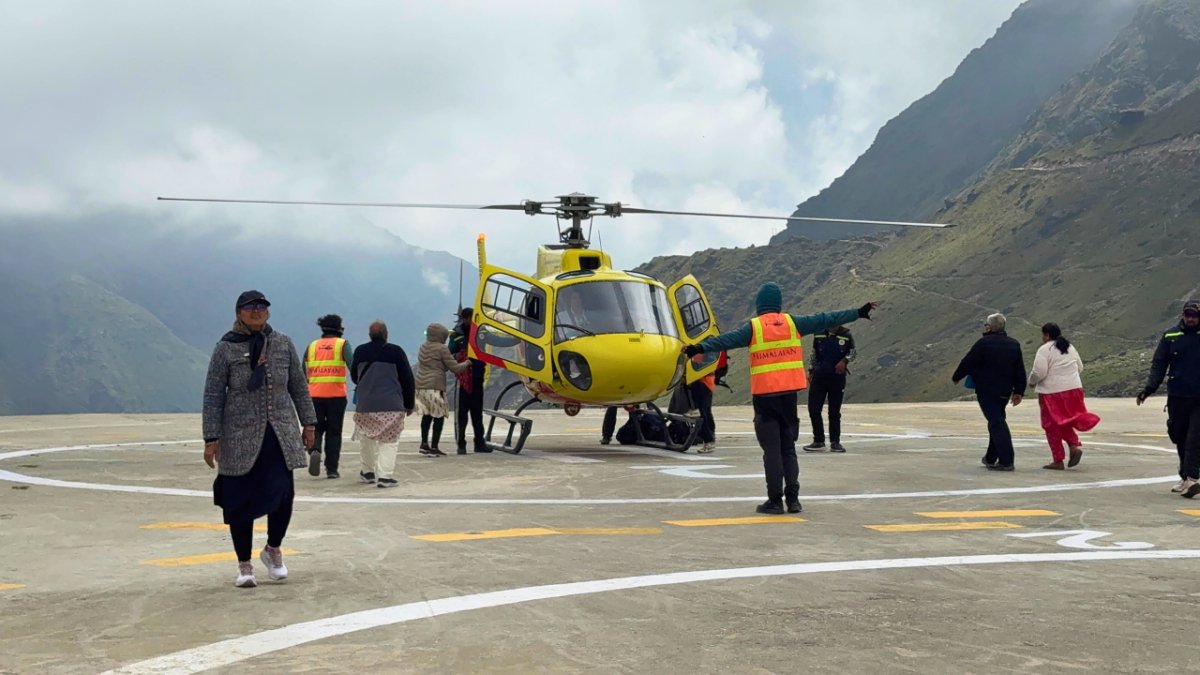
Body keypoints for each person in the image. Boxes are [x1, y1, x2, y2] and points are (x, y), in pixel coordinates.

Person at [684, 282, 876, 514]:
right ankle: (793, 500)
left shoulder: (754, 328)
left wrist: (699, 347)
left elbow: (725, 340)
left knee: (771, 451)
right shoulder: (794, 323)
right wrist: (857, 312)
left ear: (759, 304)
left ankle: (775, 501)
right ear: (778, 303)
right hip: (788, 398)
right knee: (788, 449)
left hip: (765, 399)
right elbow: (827, 318)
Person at [202, 290, 316, 589]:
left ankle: (273, 549)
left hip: (279, 432)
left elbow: (298, 386)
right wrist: (211, 437)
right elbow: (213, 394)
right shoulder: (225, 348)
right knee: (240, 499)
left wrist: (309, 423)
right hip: (238, 434)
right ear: (239, 312)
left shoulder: (282, 343)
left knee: (282, 494)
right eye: (250, 307)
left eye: (262, 306)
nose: (256, 311)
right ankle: (244, 564)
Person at [1138, 300, 1200, 497]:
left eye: (1195, 316)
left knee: (1194, 438)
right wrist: (1149, 389)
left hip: (1198, 398)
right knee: (1179, 435)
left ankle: (1193, 478)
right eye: (1188, 315)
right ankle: (1185, 476)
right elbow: (1159, 364)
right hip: (1177, 396)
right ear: (1183, 315)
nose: (1191, 319)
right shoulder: (1170, 336)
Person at [951, 313, 1027, 471]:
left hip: (986, 389)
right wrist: (1019, 391)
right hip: (1005, 390)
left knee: (997, 422)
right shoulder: (1014, 344)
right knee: (996, 420)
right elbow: (1019, 369)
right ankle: (991, 457)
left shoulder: (983, 343)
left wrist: (957, 376)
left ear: (989, 327)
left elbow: (968, 361)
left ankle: (1007, 460)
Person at [350, 321, 415, 488]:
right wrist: (409, 404)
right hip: (391, 405)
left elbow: (354, 377)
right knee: (389, 441)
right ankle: (385, 476)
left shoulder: (360, 351)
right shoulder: (396, 352)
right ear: (386, 335)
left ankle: (367, 472)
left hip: (365, 404)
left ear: (370, 335)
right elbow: (407, 379)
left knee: (366, 438)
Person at [1028, 323, 1101, 470]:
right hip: (1074, 390)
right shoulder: (1069, 347)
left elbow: (1039, 372)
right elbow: (1080, 367)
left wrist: (1031, 382)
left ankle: (1058, 459)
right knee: (1066, 420)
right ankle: (1073, 447)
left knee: (1051, 425)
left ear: (1047, 335)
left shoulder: (1044, 349)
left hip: (1052, 393)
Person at [304, 314, 353, 479]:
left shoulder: (312, 346)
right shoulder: (342, 345)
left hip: (314, 395)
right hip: (336, 395)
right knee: (334, 433)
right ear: (339, 328)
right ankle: (332, 469)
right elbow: (353, 366)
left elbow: (303, 371)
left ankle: (315, 450)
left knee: (316, 428)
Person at [414, 322, 470, 457]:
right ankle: (434, 447)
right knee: (438, 416)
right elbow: (455, 368)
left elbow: (438, 364)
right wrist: (468, 362)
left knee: (427, 415)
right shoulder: (442, 348)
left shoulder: (423, 347)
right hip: (435, 385)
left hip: (421, 385)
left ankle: (424, 444)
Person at [803, 325, 855, 453]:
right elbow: (814, 353)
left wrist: (844, 361)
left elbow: (853, 352)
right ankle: (818, 441)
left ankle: (835, 442)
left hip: (837, 378)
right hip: (819, 377)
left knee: (834, 412)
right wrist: (811, 370)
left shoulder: (846, 335)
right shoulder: (819, 333)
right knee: (814, 409)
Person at [449, 308, 491, 453]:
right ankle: (461, 445)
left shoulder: (482, 332)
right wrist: (460, 357)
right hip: (463, 379)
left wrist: (516, 339)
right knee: (462, 414)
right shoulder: (456, 335)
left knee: (477, 413)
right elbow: (450, 353)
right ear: (465, 318)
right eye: (472, 318)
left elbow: (496, 341)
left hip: (478, 377)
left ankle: (479, 443)